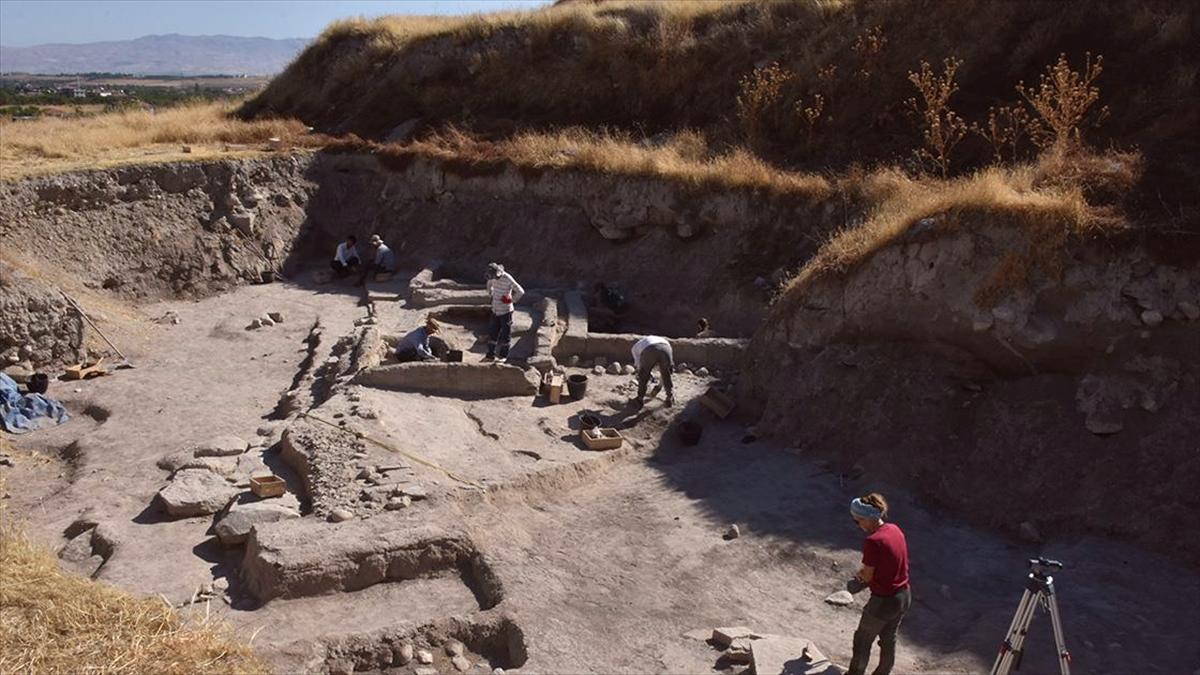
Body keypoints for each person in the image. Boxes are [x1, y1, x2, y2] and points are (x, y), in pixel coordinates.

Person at [846, 493, 911, 675]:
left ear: (867, 518)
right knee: (888, 639)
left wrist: (857, 581)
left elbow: (867, 575)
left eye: (857, 521)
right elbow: (889, 564)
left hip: (884, 602)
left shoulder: (873, 541)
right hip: (904, 595)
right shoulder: (894, 529)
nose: (858, 526)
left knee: (862, 641)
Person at [483, 262, 524, 363]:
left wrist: (511, 300)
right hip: (495, 310)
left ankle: (503, 356)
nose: (493, 278)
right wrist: (491, 293)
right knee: (493, 333)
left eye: (494, 276)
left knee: (505, 334)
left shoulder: (507, 278)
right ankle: (490, 355)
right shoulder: (492, 278)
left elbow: (520, 291)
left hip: (506, 311)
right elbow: (489, 284)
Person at [630, 335, 674, 408]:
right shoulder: (661, 341)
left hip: (650, 349)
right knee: (666, 373)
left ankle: (640, 399)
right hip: (667, 348)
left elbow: (639, 367)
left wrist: (645, 373)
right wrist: (659, 387)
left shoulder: (635, 349)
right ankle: (669, 397)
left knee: (643, 375)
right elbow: (666, 373)